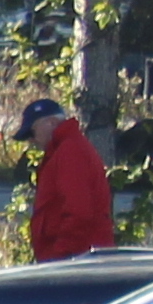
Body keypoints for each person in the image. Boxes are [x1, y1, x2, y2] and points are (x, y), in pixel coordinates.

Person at [20, 95, 115, 262]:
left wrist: (59, 256)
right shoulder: (63, 150)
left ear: (50, 123)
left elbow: (79, 212)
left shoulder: (70, 151)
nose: (30, 140)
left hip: (78, 262)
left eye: (31, 132)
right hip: (75, 259)